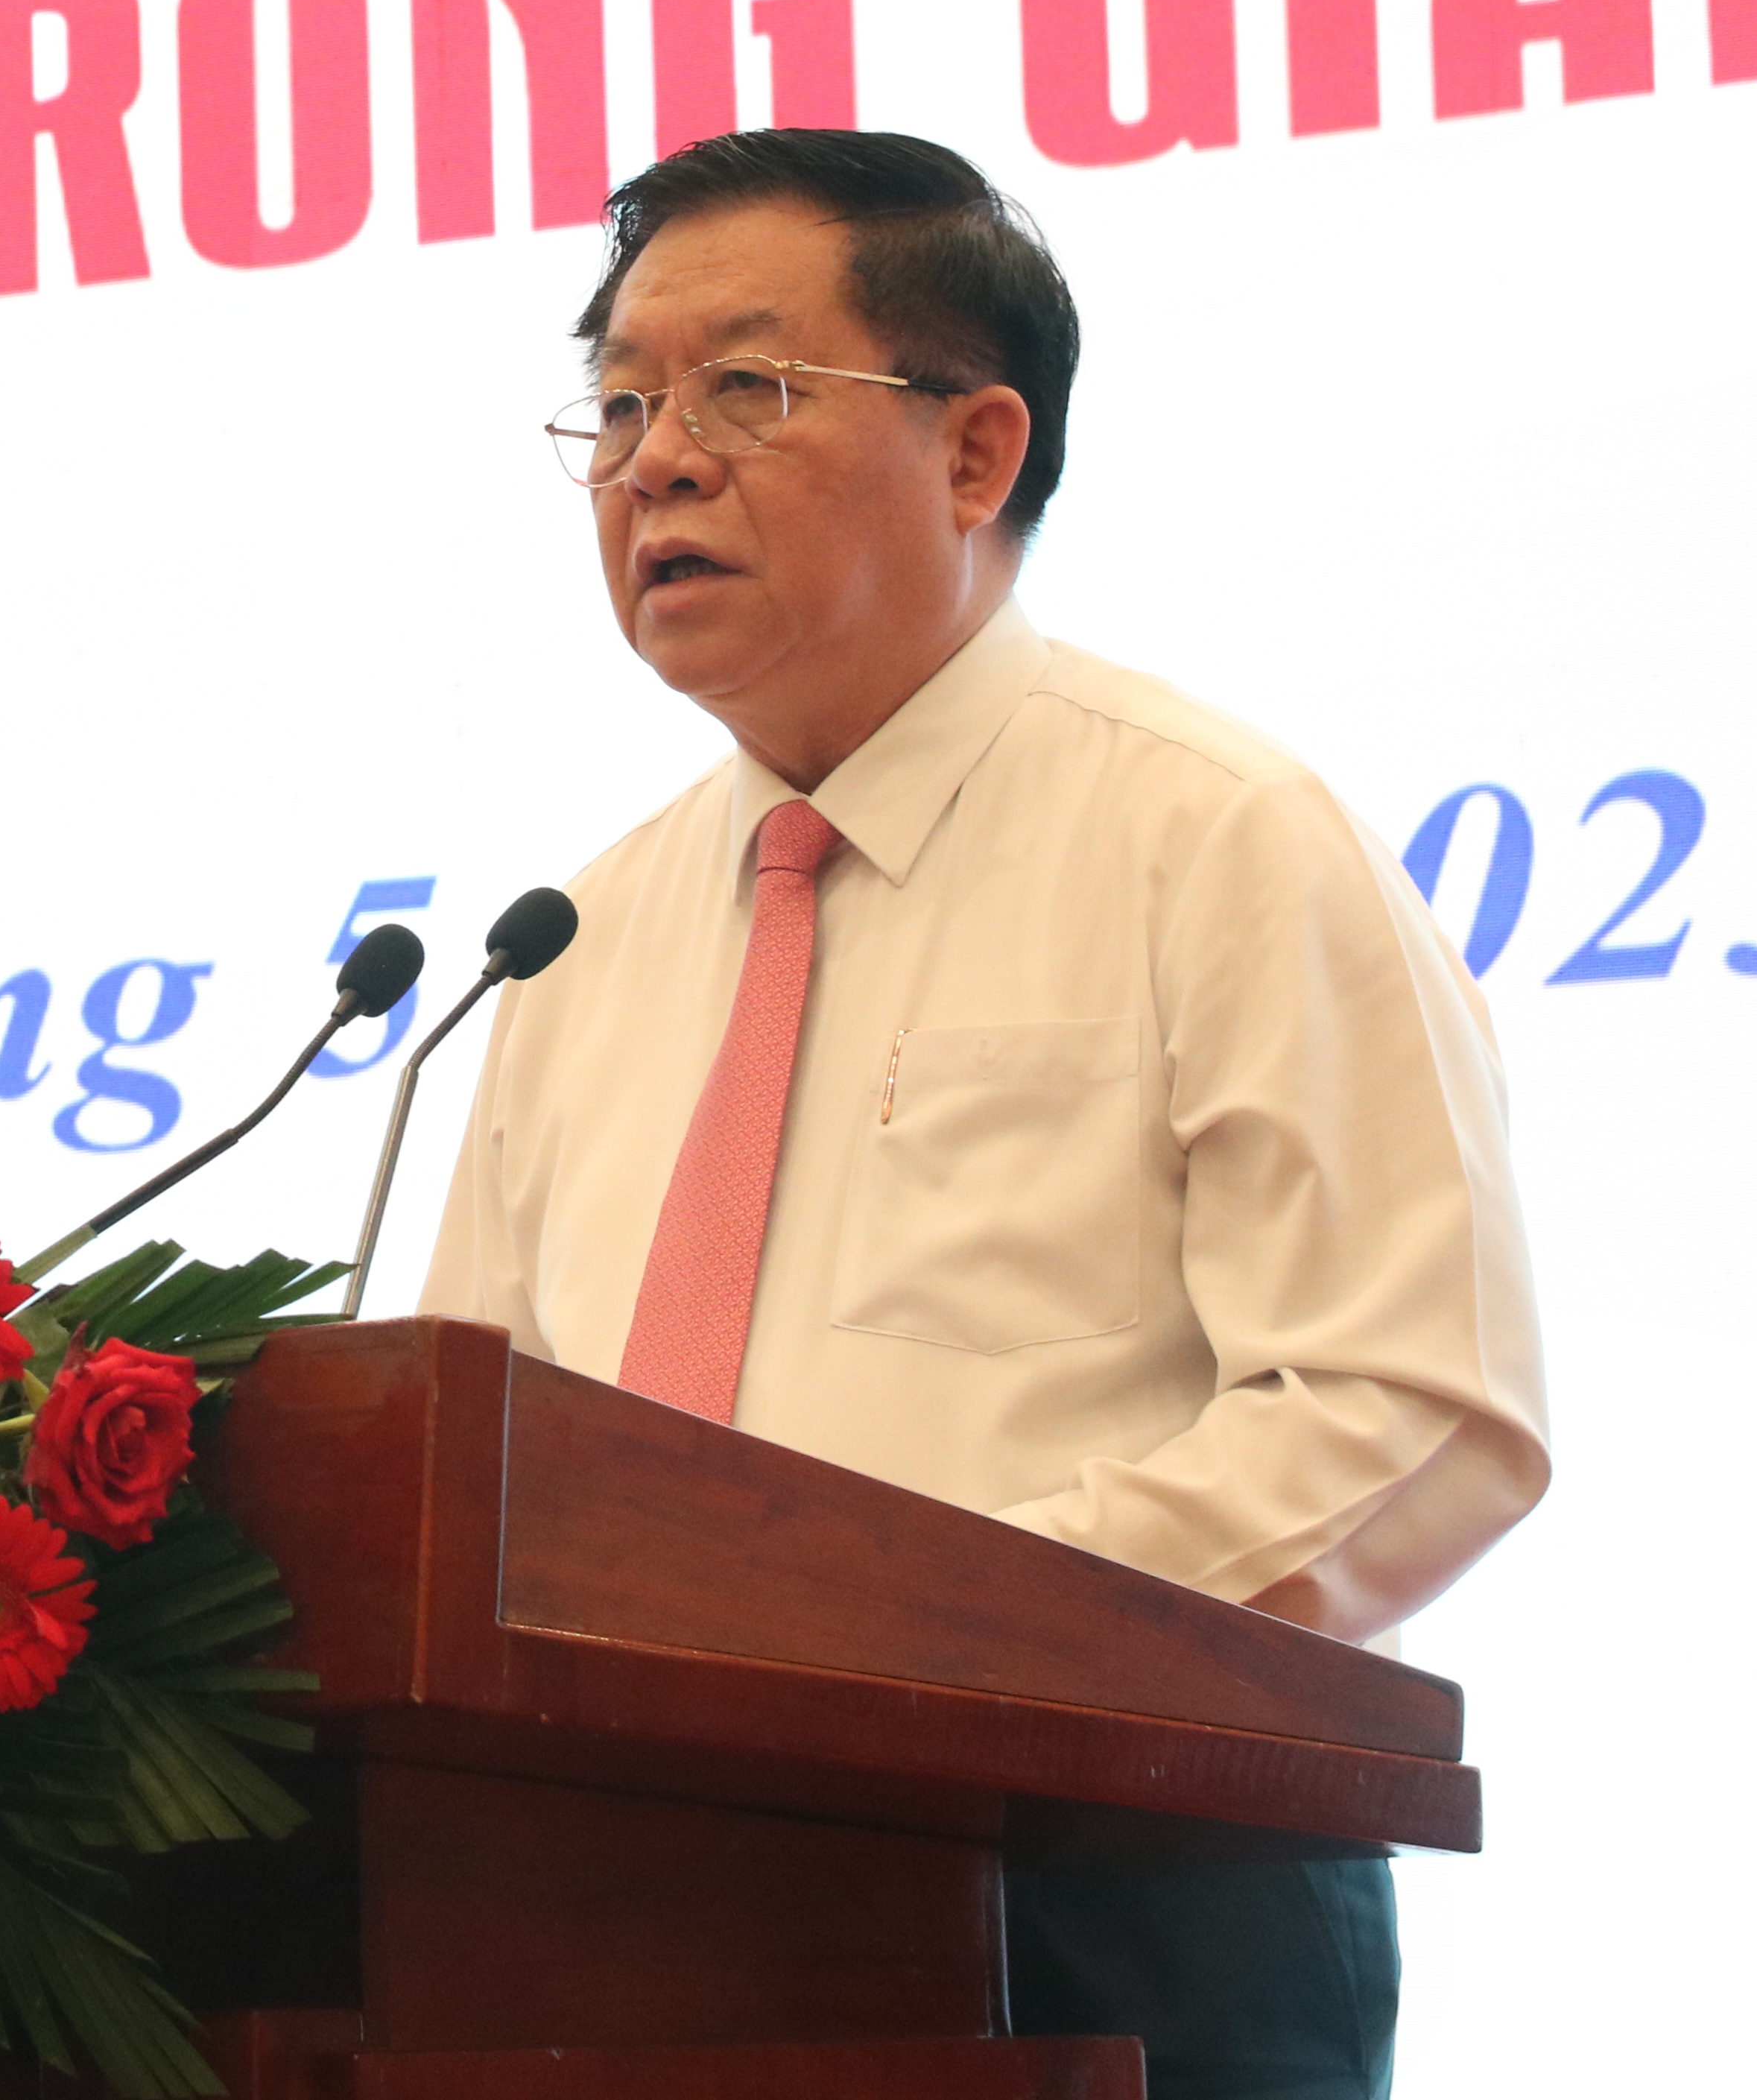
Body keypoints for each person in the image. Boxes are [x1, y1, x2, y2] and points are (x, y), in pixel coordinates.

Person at [417, 127, 1551, 2100]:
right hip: (635, 1921)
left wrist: (912, 1649)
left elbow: (1406, 1410)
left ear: (974, 452)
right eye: (620, 404)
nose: (655, 462)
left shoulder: (1213, 839)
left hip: (1121, 1899)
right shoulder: (576, 942)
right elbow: (477, 1465)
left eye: (743, 389)